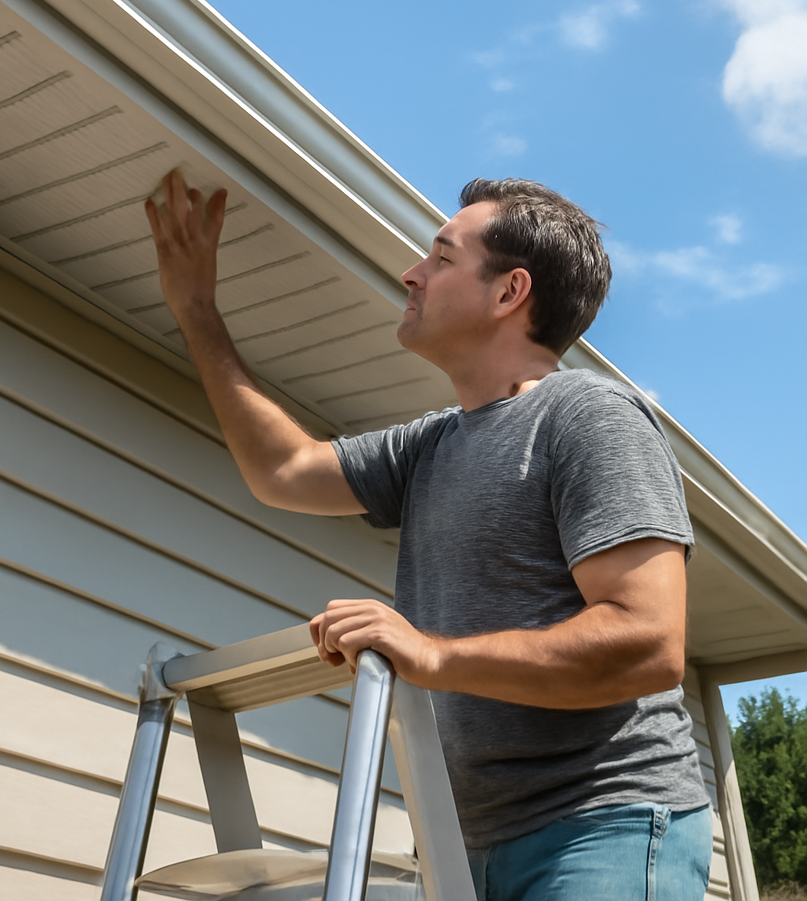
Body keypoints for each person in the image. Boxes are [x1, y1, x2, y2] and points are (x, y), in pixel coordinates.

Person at [144, 171, 712, 900]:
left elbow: (648, 641)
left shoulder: (589, 416)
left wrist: (433, 654)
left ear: (509, 292)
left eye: (441, 258)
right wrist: (195, 309)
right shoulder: (431, 447)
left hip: (602, 825)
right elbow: (284, 470)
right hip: (460, 844)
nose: (411, 274)